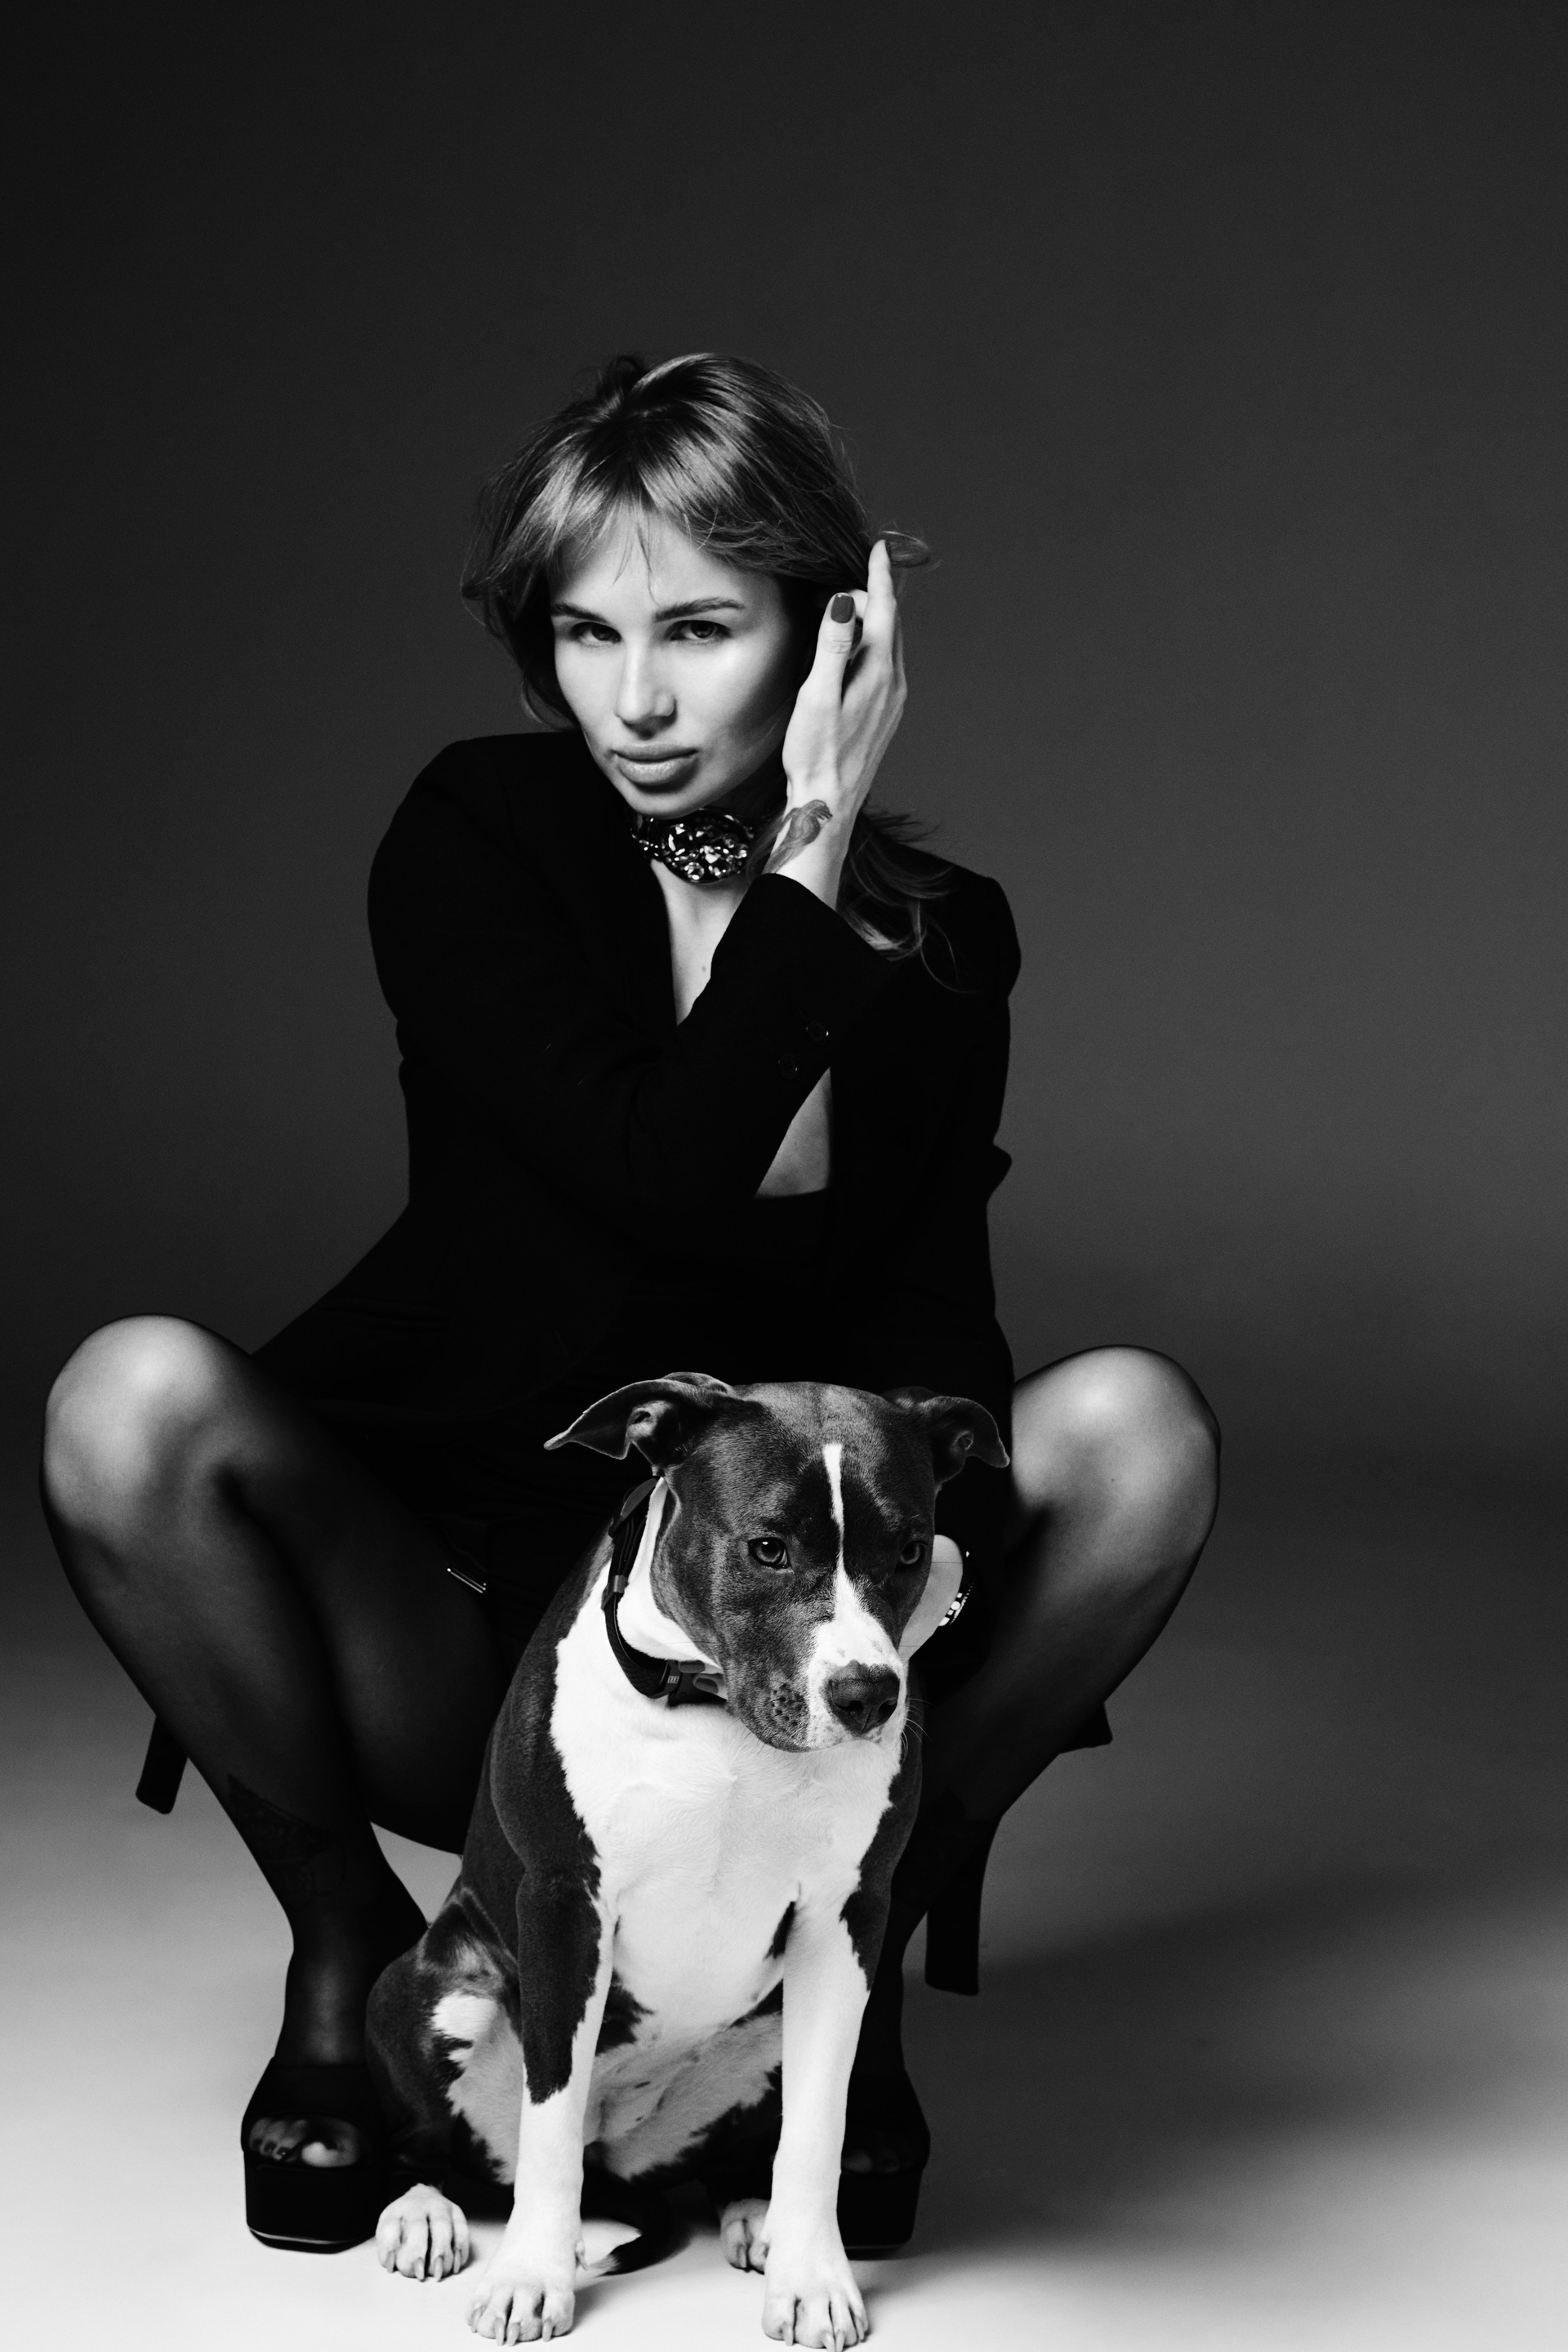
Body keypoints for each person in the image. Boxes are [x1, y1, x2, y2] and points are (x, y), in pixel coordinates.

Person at [40, 352, 1219, 2263]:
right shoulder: (479, 840)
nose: (637, 700)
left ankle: (844, 1967)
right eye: (588, 634)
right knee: (126, 1402)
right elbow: (663, 1171)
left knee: (1140, 1434)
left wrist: (902, 1582)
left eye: (699, 628)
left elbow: (936, 1315)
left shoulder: (943, 944)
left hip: (789, 1633)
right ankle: (348, 1953)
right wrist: (804, 861)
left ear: (829, 636)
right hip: (468, 1631)